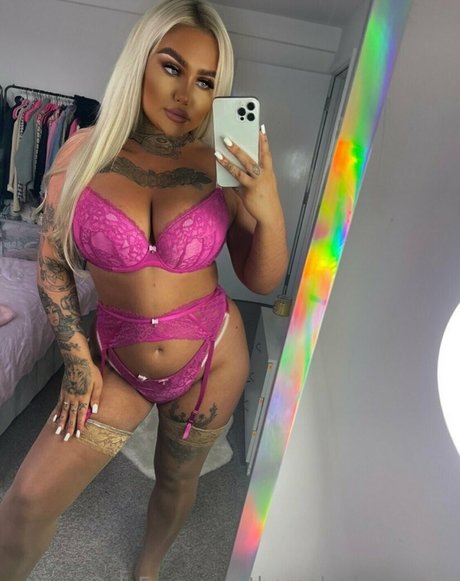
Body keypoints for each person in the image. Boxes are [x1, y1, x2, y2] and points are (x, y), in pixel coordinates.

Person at [0, 0, 288, 579]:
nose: (186, 95)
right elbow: (53, 265)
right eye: (172, 67)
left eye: (205, 82)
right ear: (141, 61)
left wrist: (268, 205)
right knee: (25, 503)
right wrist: (77, 363)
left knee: (177, 478)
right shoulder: (83, 153)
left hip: (212, 355)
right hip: (117, 364)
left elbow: (261, 278)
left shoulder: (222, 163)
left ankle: (148, 567)